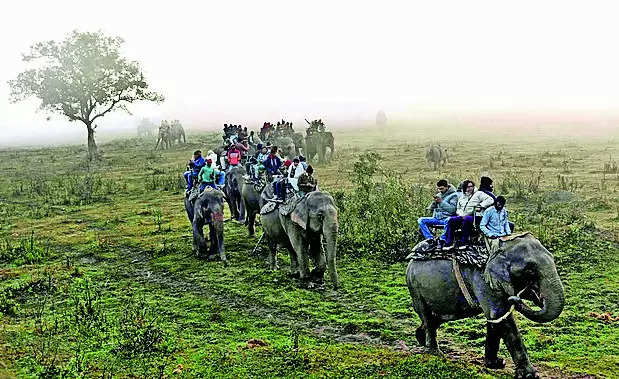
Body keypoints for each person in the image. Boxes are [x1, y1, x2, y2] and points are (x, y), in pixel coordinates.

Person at [417, 179, 458, 248]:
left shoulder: (454, 196)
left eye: (442, 189)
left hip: (446, 218)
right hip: (436, 218)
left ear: (447, 187)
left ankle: (442, 239)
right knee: (421, 220)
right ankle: (430, 239)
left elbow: (452, 210)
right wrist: (432, 205)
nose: (440, 191)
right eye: (439, 189)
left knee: (449, 220)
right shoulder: (439, 194)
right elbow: (432, 207)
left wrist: (441, 202)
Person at [440, 180, 477, 250]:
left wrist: (480, 206)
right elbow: (458, 208)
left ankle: (464, 241)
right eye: (467, 187)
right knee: (451, 220)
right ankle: (449, 242)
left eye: (471, 187)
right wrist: (461, 214)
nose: (469, 188)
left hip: (473, 216)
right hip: (461, 215)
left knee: (467, 219)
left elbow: (488, 201)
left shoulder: (477, 195)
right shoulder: (462, 197)